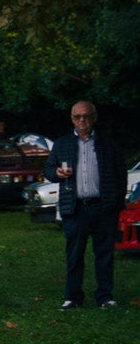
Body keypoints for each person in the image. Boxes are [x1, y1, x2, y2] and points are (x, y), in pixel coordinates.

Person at [47, 97, 126, 310]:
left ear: (94, 118)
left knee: (104, 254)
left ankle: (105, 297)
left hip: (103, 207)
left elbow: (121, 174)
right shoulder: (62, 143)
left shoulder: (107, 143)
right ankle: (73, 297)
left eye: (86, 116)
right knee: (74, 254)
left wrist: (116, 203)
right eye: (78, 116)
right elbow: (48, 170)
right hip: (75, 207)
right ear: (72, 119)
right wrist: (56, 172)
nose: (82, 120)